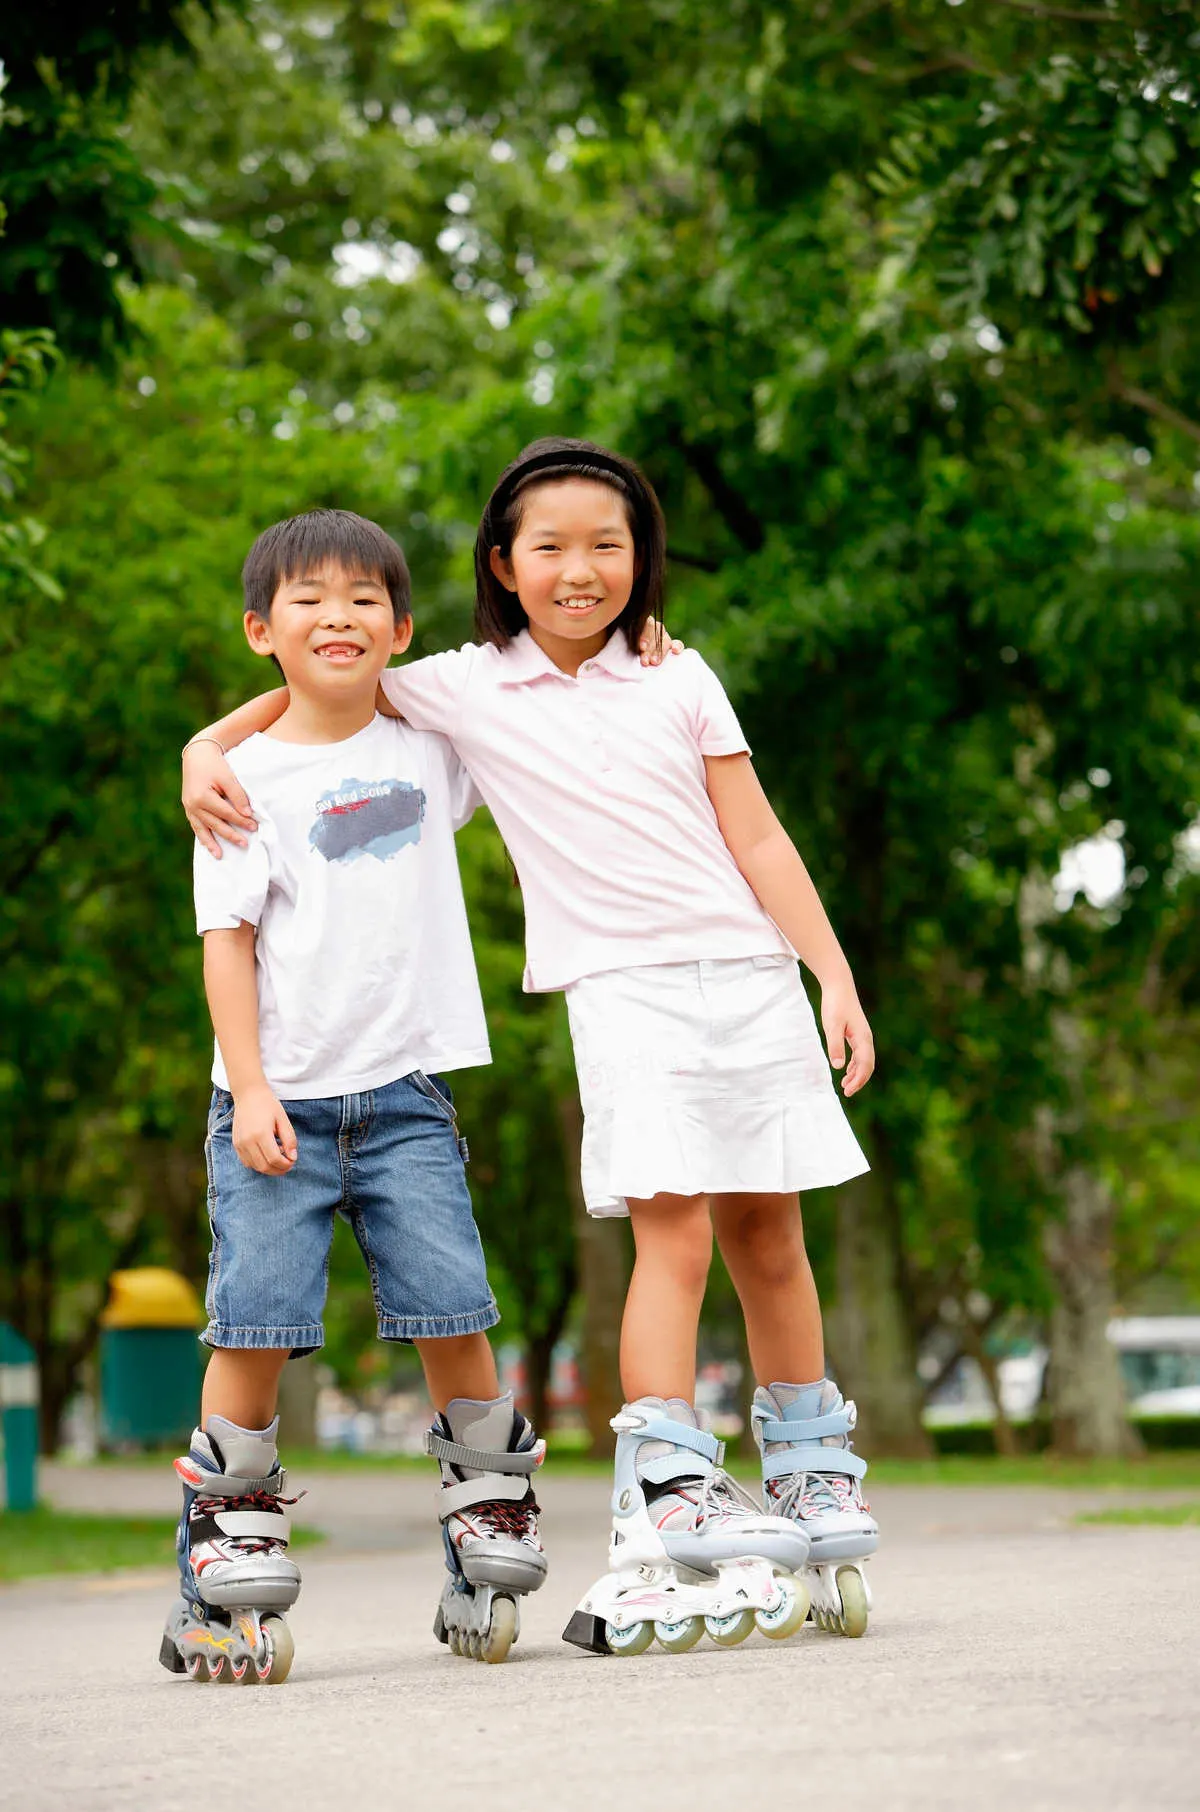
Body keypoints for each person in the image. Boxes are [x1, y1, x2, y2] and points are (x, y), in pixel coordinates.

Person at [182, 441, 880, 1656]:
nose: (579, 570)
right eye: (548, 547)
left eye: (607, 545)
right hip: (581, 1001)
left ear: (642, 562)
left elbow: (758, 839)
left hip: (720, 986)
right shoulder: (456, 689)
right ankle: (660, 1476)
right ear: (501, 564)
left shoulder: (658, 676)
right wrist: (206, 746)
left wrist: (831, 969)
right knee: (660, 1234)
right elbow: (316, 690)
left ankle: (808, 1469)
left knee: (760, 1233)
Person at [163, 508, 548, 1683]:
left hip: (406, 1097)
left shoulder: (433, 747)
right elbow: (225, 942)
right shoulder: (240, 786)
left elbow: (538, 673)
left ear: (402, 627)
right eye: (310, 599)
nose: (340, 616)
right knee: (258, 1317)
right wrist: (257, 1085)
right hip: (276, 1103)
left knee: (452, 1304)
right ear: (259, 629)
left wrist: (651, 649)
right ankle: (221, 1545)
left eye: (365, 599)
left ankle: (484, 1507)